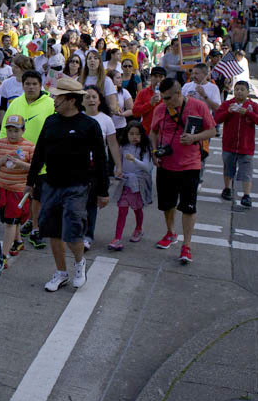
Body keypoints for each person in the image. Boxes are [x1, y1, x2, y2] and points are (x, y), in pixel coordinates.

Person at [26, 77, 109, 292]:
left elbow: (101, 159)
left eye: (58, 97)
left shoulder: (89, 125)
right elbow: (40, 153)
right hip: (50, 184)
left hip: (78, 186)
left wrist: (103, 191)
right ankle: (61, 272)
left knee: (72, 231)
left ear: (71, 100)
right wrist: (31, 181)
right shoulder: (51, 121)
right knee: (52, 230)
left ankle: (79, 263)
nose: (53, 100)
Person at [150, 78, 216, 264]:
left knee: (188, 206)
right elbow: (153, 132)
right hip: (166, 165)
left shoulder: (198, 106)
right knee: (167, 204)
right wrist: (154, 152)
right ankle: (171, 233)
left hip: (190, 165)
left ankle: (186, 245)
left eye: (168, 98)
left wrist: (194, 137)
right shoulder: (160, 109)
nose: (164, 102)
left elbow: (211, 131)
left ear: (179, 94)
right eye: (162, 98)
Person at [1, 70, 55, 250]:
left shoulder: (50, 104)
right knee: (22, 195)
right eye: (27, 84)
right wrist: (3, 152)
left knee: (37, 196)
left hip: (42, 161)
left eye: (34, 84)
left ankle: (35, 229)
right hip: (18, 160)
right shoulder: (15, 103)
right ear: (22, 85)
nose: (31, 87)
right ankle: (26, 225)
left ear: (40, 85)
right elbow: (4, 129)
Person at [0, 114, 35, 261]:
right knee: (9, 220)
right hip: (2, 188)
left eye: (16, 130)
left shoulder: (29, 146)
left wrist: (20, 163)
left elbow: (35, 168)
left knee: (10, 222)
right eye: (9, 130)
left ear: (23, 130)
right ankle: (19, 242)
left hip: (18, 190)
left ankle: (4, 255)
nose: (13, 134)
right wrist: (2, 160)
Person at [82, 85, 122, 250]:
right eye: (87, 97)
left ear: (99, 100)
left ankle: (87, 236)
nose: (91, 100)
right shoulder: (77, 117)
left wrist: (118, 165)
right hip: (77, 167)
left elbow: (112, 145)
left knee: (92, 203)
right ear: (82, 100)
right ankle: (75, 232)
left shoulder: (106, 120)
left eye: (94, 97)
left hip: (97, 167)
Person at [107, 121, 153, 250]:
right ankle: (117, 238)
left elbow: (147, 166)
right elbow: (118, 163)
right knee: (122, 210)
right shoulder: (123, 147)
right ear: (126, 134)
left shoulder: (144, 148)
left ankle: (138, 228)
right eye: (131, 134)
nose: (134, 137)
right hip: (125, 183)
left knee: (137, 209)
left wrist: (134, 160)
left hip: (138, 183)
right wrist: (117, 170)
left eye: (138, 134)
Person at [215, 81, 258, 207]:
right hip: (229, 144)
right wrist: (228, 112)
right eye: (237, 89)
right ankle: (227, 188)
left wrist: (248, 113)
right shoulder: (228, 104)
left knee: (246, 171)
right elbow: (217, 119)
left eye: (242, 89)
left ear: (247, 92)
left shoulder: (252, 105)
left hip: (246, 146)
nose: (239, 92)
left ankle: (246, 195)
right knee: (228, 168)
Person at [132, 65, 166, 134]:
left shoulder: (169, 92)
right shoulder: (143, 93)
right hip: (147, 131)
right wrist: (150, 104)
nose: (158, 79)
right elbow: (135, 112)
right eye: (155, 76)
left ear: (165, 78)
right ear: (151, 77)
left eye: (161, 77)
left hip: (164, 132)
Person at [82, 49, 117, 113]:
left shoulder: (107, 81)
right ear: (86, 62)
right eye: (89, 58)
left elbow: (112, 105)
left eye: (95, 58)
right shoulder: (79, 80)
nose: (92, 60)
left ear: (99, 62)